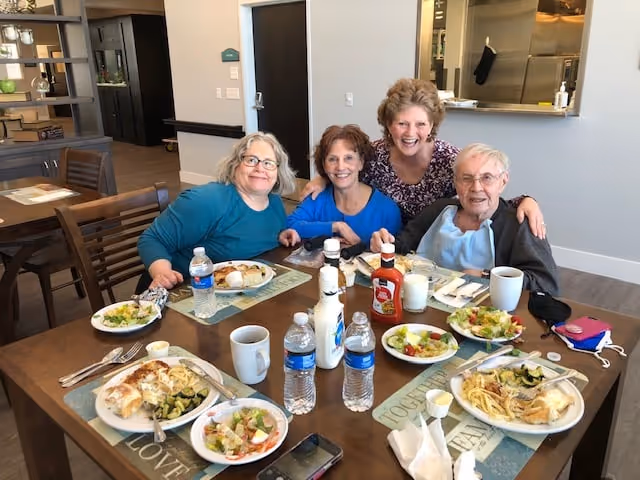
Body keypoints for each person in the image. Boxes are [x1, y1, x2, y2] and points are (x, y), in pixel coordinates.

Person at [301, 78, 546, 238]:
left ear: (432, 126)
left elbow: (481, 191)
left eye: (420, 124)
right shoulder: (374, 155)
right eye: (402, 123)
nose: (410, 133)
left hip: (435, 250)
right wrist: (322, 179)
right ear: (388, 124)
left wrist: (525, 201)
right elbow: (344, 168)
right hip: (388, 247)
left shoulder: (449, 159)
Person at [370, 143, 559, 295]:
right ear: (456, 183)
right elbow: (401, 245)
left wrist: (486, 276)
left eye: (487, 178)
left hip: (481, 320)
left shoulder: (519, 223)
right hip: (419, 302)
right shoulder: (440, 209)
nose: (476, 187)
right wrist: (384, 242)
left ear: (503, 181)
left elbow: (545, 284)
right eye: (466, 178)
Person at [138, 132, 300, 290]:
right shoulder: (207, 201)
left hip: (238, 292)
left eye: (268, 163)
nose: (260, 168)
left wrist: (279, 235)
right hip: (186, 291)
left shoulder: (274, 202)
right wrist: (162, 273)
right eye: (251, 160)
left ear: (277, 172)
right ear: (235, 165)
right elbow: (152, 239)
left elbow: (251, 235)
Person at [286, 125, 402, 246]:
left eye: (349, 158)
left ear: (361, 163)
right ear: (324, 165)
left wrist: (361, 246)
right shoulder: (317, 197)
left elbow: (398, 256)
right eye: (332, 159)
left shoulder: (387, 210)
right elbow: (291, 224)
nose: (340, 167)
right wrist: (336, 227)